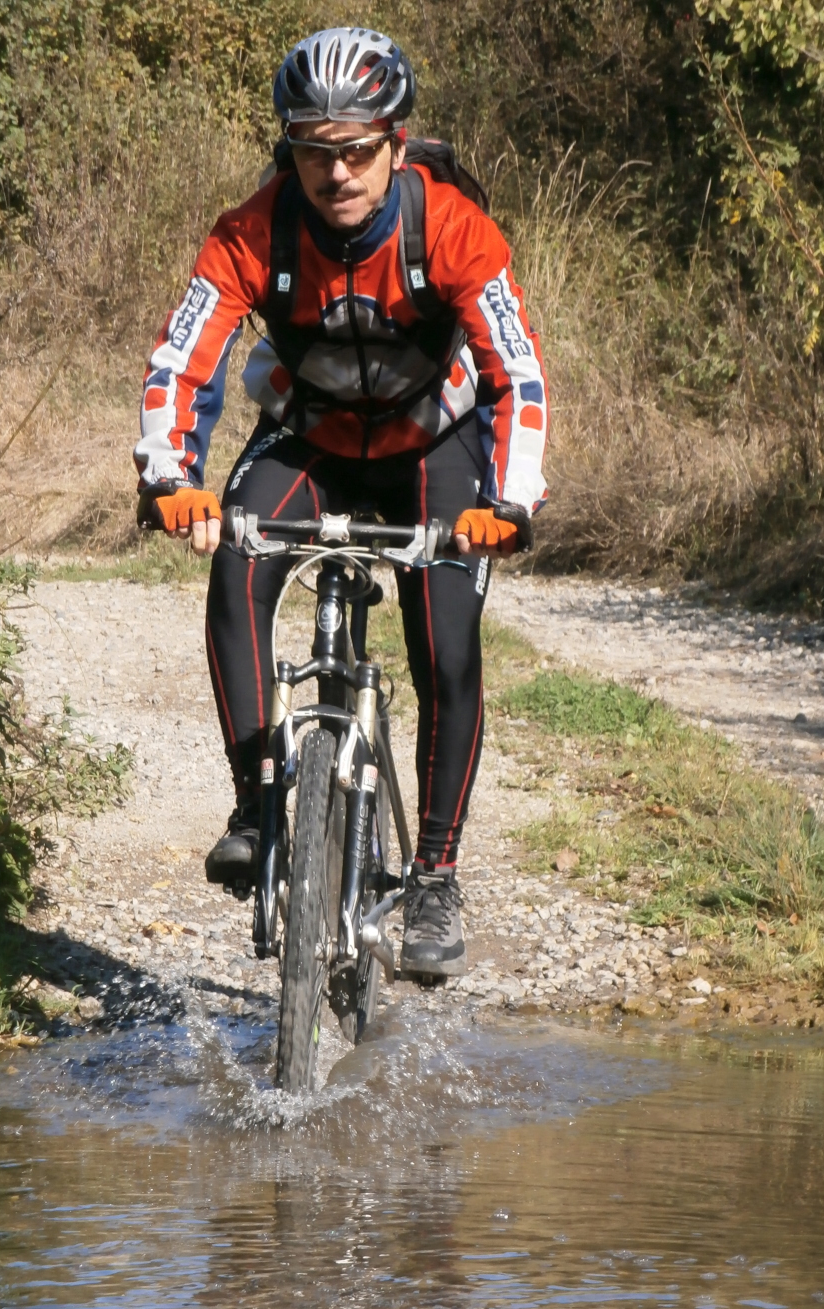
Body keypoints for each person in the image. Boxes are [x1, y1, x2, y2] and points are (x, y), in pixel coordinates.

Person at [134, 27, 549, 981]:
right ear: (292, 150)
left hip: (430, 448)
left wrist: (511, 502)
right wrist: (171, 479)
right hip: (309, 436)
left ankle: (436, 874)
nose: (337, 171)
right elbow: (181, 360)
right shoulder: (253, 230)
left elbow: (517, 375)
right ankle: (256, 802)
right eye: (314, 150)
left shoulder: (449, 227)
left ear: (396, 144)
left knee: (447, 641)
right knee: (238, 561)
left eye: (358, 148)